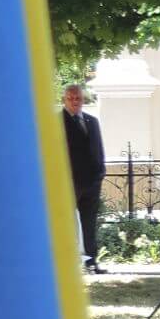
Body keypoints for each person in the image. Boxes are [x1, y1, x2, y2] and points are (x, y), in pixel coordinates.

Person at [61, 83, 107, 274]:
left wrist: (100, 173)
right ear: (64, 100)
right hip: (67, 183)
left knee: (90, 223)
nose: (74, 102)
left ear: (83, 99)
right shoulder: (57, 122)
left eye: (78, 98)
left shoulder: (91, 121)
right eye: (70, 98)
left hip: (91, 183)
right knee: (66, 224)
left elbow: (98, 149)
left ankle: (91, 262)